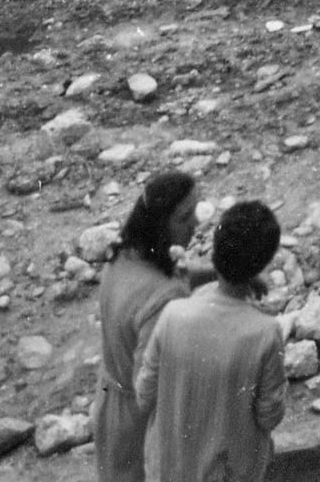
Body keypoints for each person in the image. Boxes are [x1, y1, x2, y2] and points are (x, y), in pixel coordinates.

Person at [135, 198, 289, 482]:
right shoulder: (266, 332)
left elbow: (144, 395)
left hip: (166, 471)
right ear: (262, 263)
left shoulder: (173, 314)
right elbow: (269, 416)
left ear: (216, 251)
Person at [93, 169, 199, 482]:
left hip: (110, 401)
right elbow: (149, 388)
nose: (195, 223)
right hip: (139, 425)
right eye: (184, 217)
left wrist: (221, 272)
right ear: (160, 225)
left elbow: (178, 275)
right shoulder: (163, 299)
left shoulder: (124, 256)